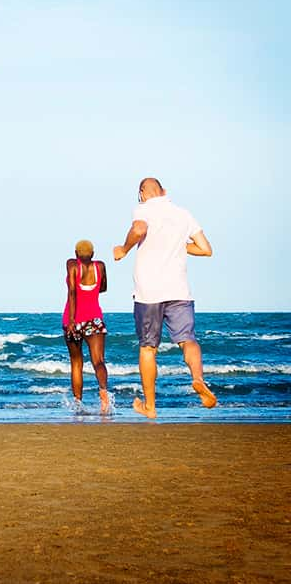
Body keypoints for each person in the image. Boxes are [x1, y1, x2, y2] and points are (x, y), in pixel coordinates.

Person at [113, 177, 216, 419]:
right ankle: (198, 379)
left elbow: (139, 229)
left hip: (149, 293)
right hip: (179, 290)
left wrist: (124, 249)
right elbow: (205, 249)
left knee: (148, 347)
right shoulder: (183, 214)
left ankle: (150, 406)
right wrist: (179, 244)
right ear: (165, 192)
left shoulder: (143, 209)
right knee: (188, 340)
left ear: (142, 194)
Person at [63, 239, 110, 413]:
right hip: (94, 319)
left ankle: (78, 403)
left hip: (73, 319)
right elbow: (103, 288)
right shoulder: (100, 267)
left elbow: (72, 291)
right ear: (93, 254)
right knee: (98, 361)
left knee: (76, 363)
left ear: (76, 254)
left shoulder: (72, 265)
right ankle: (104, 395)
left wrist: (72, 321)